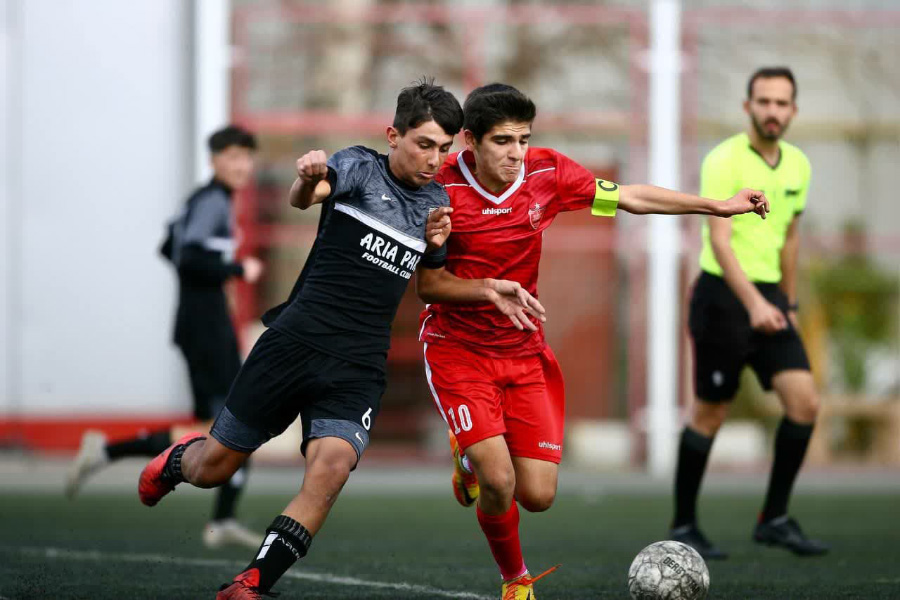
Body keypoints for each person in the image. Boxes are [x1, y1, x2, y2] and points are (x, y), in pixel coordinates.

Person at [135, 80, 543, 599]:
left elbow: (432, 283)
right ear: (393, 136)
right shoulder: (358, 167)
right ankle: (177, 461)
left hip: (358, 367)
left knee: (330, 470)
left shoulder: (437, 203)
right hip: (293, 345)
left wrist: (482, 283)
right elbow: (307, 196)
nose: (433, 160)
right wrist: (306, 178)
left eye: (443, 149)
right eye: (423, 144)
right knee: (212, 469)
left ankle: (251, 583)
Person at [416, 83, 771, 600]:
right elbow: (428, 286)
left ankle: (467, 456)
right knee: (499, 481)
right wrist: (488, 289)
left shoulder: (549, 173)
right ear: (470, 140)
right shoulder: (439, 187)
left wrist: (716, 206)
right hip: (457, 349)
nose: (516, 153)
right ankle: (516, 580)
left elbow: (630, 197)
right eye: (503, 141)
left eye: (523, 139)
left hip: (522, 350)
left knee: (538, 496)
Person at [65, 125, 265, 549]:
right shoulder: (212, 200)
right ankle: (220, 518)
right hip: (206, 327)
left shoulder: (202, 200)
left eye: (247, 157)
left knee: (211, 427)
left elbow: (168, 245)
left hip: (199, 324)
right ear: (214, 160)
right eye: (232, 156)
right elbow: (188, 257)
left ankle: (106, 454)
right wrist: (236, 269)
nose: (241, 165)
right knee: (238, 419)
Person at [669, 67, 828, 559]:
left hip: (772, 299)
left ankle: (774, 519)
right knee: (710, 412)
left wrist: (787, 303)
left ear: (793, 110)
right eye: (764, 101)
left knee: (804, 404)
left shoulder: (799, 165)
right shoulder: (724, 159)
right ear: (748, 107)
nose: (772, 111)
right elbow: (719, 240)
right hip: (722, 297)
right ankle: (684, 524)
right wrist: (753, 304)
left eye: (781, 103)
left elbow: (791, 237)